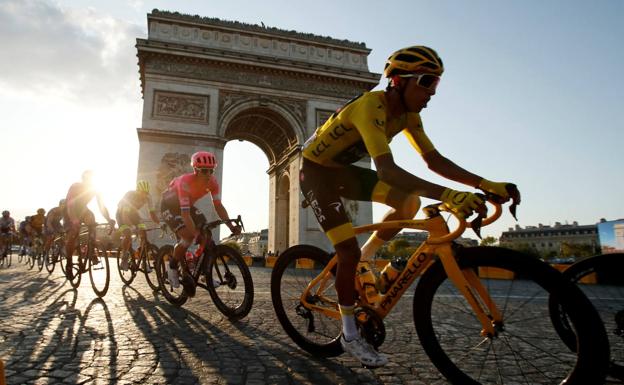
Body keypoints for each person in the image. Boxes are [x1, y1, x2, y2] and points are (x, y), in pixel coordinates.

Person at [299, 45, 520, 367]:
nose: (432, 92)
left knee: (409, 202)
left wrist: (484, 184)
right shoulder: (369, 106)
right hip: (315, 172)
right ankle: (349, 335)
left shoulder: (409, 116)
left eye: (437, 84)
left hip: (344, 172)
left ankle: (368, 259)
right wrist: (448, 195)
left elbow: (433, 160)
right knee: (347, 251)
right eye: (427, 82)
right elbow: (387, 170)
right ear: (399, 82)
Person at [160, 151, 241, 296]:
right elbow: (185, 214)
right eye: (204, 170)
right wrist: (194, 233)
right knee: (188, 236)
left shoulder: (213, 182)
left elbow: (218, 206)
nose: (208, 174)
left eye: (211, 170)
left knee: (206, 233)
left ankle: (204, 274)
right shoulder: (185, 182)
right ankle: (171, 267)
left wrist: (231, 225)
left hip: (186, 206)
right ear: (196, 170)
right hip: (169, 206)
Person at [64, 170, 115, 277]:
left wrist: (109, 219)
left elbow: (102, 206)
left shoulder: (95, 189)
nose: (89, 182)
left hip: (82, 210)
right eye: (87, 179)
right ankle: (69, 264)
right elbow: (70, 204)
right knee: (73, 234)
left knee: (92, 220)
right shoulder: (75, 186)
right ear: (83, 179)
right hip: (70, 210)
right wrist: (74, 220)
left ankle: (91, 251)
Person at [116, 180, 160, 271]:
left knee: (143, 233)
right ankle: (124, 258)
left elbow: (152, 213)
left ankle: (143, 261)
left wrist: (160, 223)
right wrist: (132, 227)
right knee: (128, 233)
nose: (143, 195)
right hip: (121, 214)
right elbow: (125, 216)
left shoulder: (148, 197)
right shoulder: (130, 196)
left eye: (146, 193)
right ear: (137, 191)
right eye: (142, 193)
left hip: (133, 213)